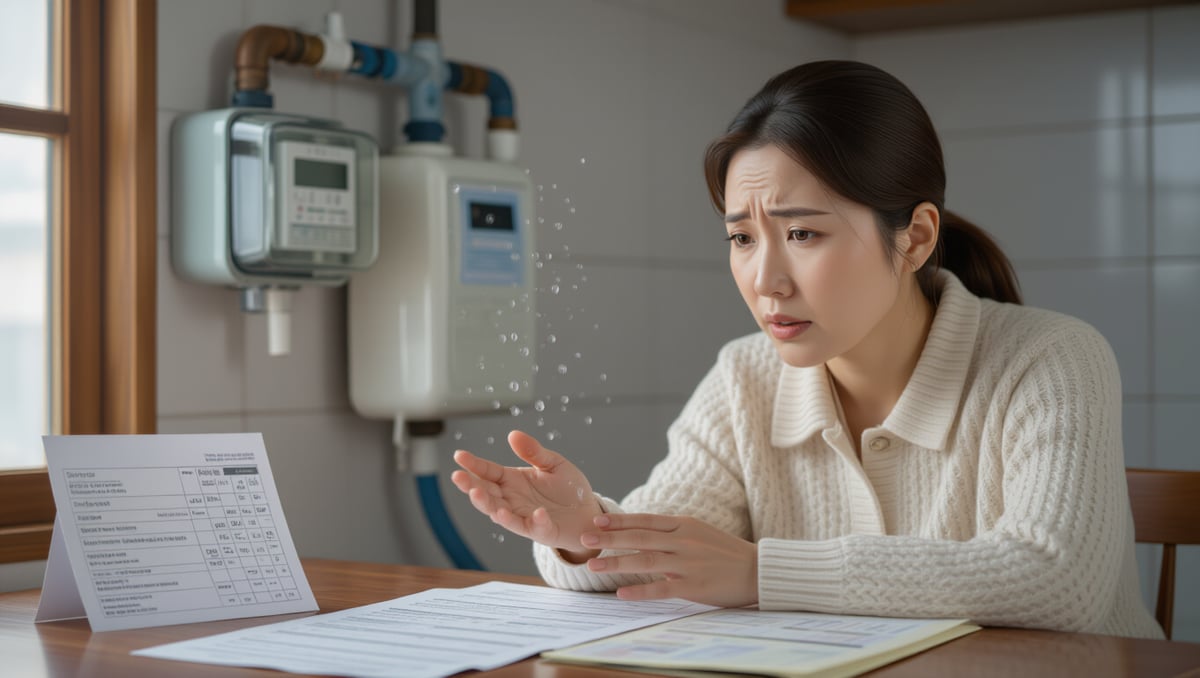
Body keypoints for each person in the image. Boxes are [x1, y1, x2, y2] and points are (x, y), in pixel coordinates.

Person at [450, 60, 1163, 639]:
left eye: (803, 233)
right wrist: (585, 533)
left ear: (913, 237)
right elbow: (671, 555)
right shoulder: (744, 378)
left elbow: (1056, 579)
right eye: (741, 238)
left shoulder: (1053, 359)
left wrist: (763, 574)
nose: (765, 280)